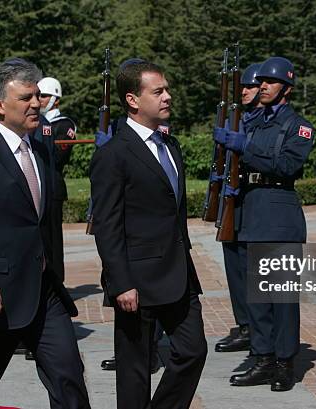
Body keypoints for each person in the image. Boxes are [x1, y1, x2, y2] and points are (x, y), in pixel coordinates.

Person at [0, 58, 90, 409]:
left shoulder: (40, 148)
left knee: (68, 375)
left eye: (37, 96)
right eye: (26, 97)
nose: (36, 103)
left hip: (42, 292)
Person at [90, 61, 207, 409]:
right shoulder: (113, 154)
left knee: (193, 351)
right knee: (134, 369)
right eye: (158, 91)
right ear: (132, 99)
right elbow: (107, 225)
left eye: (167, 89)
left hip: (178, 274)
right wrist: (120, 281)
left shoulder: (171, 146)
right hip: (135, 280)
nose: (168, 96)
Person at [227, 57, 315, 392]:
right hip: (253, 214)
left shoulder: (299, 126)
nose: (262, 86)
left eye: (270, 82)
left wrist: (244, 146)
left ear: (286, 89)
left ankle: (284, 363)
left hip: (280, 217)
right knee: (258, 299)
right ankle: (262, 358)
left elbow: (288, 164)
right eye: (260, 81)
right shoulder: (252, 121)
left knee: (281, 299)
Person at [215, 62, 264, 353]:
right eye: (243, 87)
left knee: (250, 270)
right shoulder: (239, 118)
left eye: (250, 87)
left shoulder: (262, 122)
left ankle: (257, 329)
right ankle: (244, 324)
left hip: (253, 202)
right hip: (233, 199)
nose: (244, 91)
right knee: (233, 265)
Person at [37, 76, 76, 282]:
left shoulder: (64, 124)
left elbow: (59, 156)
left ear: (56, 99)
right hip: (37, 185)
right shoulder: (35, 121)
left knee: (53, 240)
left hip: (52, 186)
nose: (39, 100)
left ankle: (56, 283)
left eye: (44, 96)